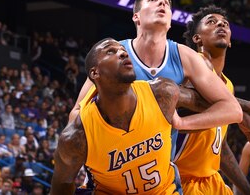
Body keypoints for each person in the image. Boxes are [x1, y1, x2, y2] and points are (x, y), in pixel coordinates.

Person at [71, 0, 243, 165]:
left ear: (170, 21)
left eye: (166, 3)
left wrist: (181, 124)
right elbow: (76, 114)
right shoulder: (113, 54)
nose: (162, 4)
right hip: (113, 164)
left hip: (160, 178)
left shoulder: (185, 56)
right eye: (153, 0)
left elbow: (232, 110)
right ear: (136, 16)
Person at [51, 38, 217, 194]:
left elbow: (217, 102)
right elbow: (62, 186)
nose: (123, 53)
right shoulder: (78, 136)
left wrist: (243, 108)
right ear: (95, 73)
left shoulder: (160, 92)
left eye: (123, 50)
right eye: (110, 52)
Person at [173, 5, 250, 194]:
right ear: (197, 38)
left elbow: (221, 148)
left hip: (211, 180)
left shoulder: (228, 85)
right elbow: (190, 101)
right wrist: (245, 109)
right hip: (181, 180)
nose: (220, 24)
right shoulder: (190, 66)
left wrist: (247, 191)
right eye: (211, 22)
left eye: (225, 24)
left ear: (230, 40)